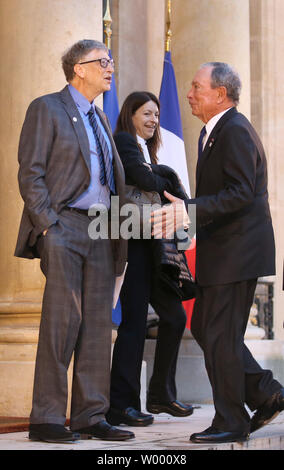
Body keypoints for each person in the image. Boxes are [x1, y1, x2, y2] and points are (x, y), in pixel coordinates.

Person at [151, 62, 284, 444]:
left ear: (219, 95)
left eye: (196, 87)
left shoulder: (236, 131)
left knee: (220, 336)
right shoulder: (214, 132)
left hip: (236, 253)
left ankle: (230, 421)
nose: (189, 94)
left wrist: (189, 210)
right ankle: (263, 391)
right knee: (207, 328)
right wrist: (188, 206)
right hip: (224, 251)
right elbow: (226, 193)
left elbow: (242, 192)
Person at [14, 39, 135, 443]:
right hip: (64, 225)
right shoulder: (47, 108)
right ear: (78, 68)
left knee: (99, 325)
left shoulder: (101, 117)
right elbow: (30, 173)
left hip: (103, 228)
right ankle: (46, 418)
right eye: (103, 61)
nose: (110, 67)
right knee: (62, 323)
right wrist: (48, 223)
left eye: (111, 60)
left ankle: (90, 416)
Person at [106, 91, 194, 427]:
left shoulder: (148, 151)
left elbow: (153, 180)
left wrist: (163, 177)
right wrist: (170, 179)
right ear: (130, 114)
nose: (154, 119)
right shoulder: (125, 142)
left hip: (156, 246)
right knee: (134, 324)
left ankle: (161, 394)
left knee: (173, 317)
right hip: (134, 243)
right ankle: (122, 404)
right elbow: (144, 180)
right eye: (147, 113)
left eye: (157, 114)